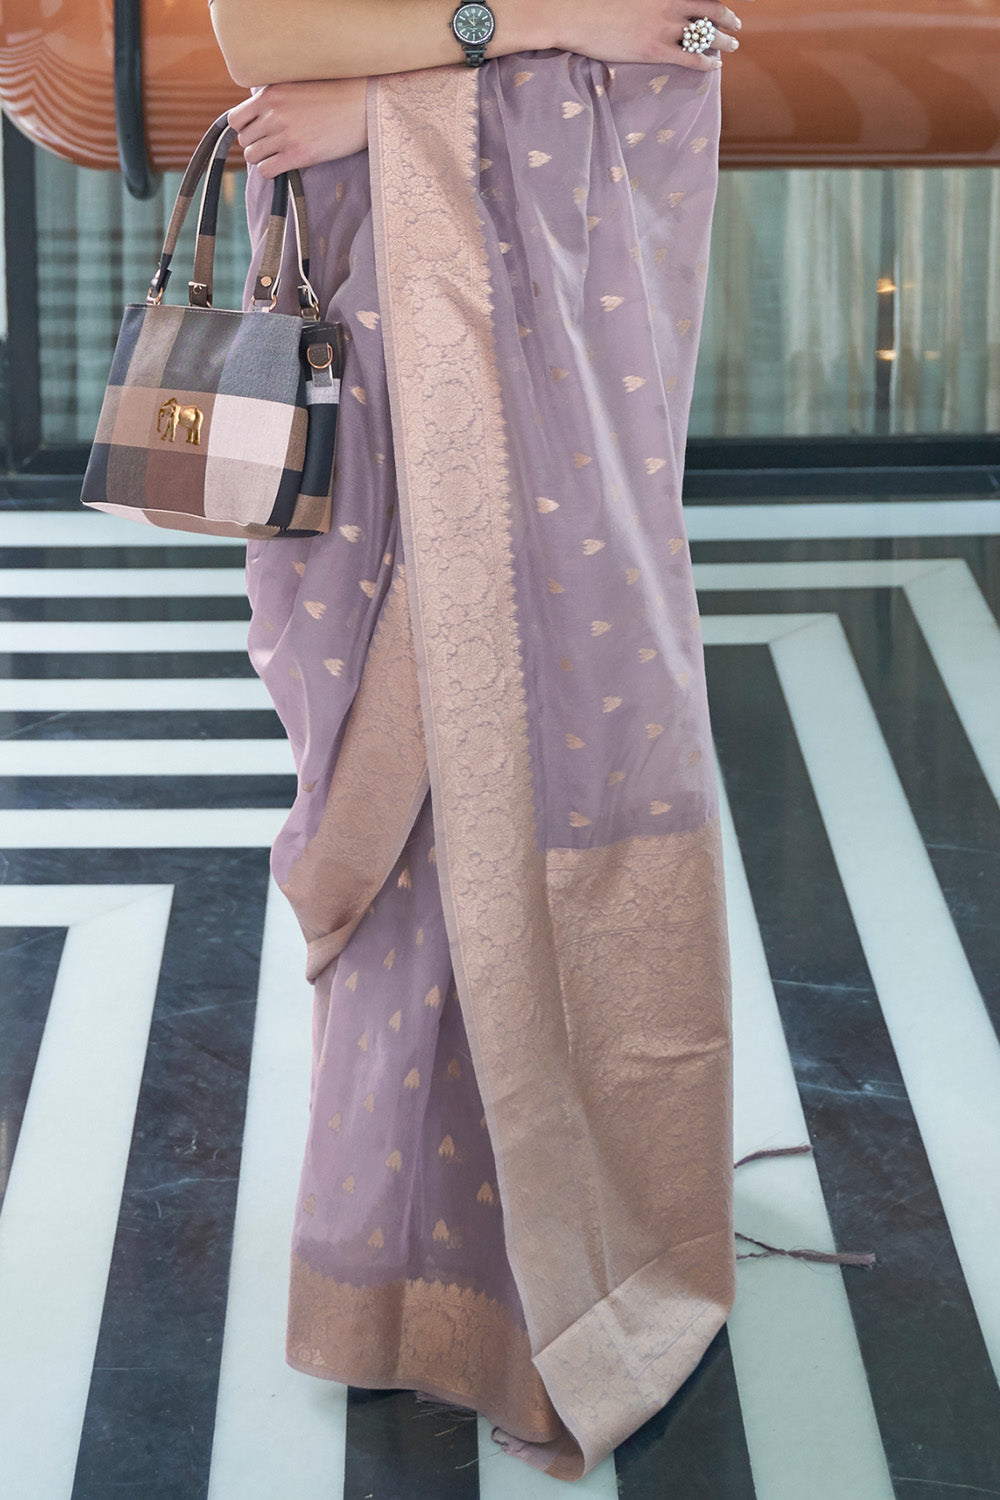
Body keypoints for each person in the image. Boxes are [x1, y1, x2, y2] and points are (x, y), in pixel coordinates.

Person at [208, 0, 751, 1480]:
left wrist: (390, 98)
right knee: (406, 791)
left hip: (549, 293)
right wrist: (517, 35)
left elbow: (681, 33)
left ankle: (571, 1249)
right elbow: (252, 28)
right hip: (373, 301)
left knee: (577, 742)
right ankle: (400, 1275)